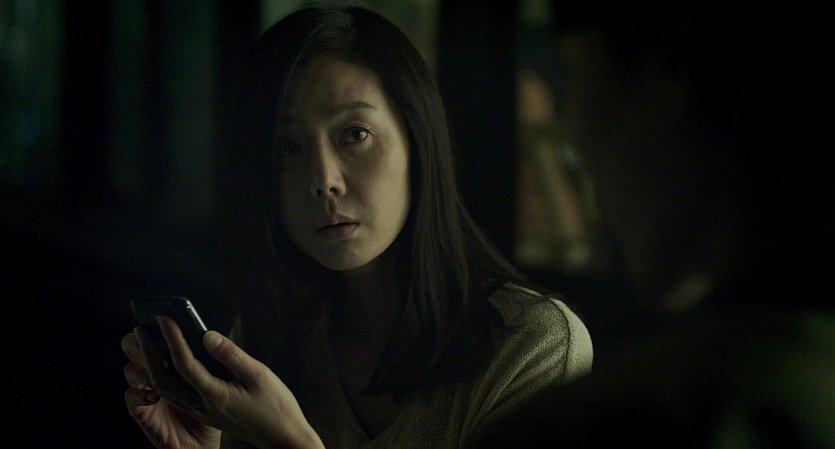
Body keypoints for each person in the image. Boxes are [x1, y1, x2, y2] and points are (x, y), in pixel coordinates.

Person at [120, 6, 593, 449]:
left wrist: (289, 442)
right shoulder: (275, 336)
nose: (323, 180)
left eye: (355, 134)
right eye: (288, 147)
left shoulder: (535, 348)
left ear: (417, 142)